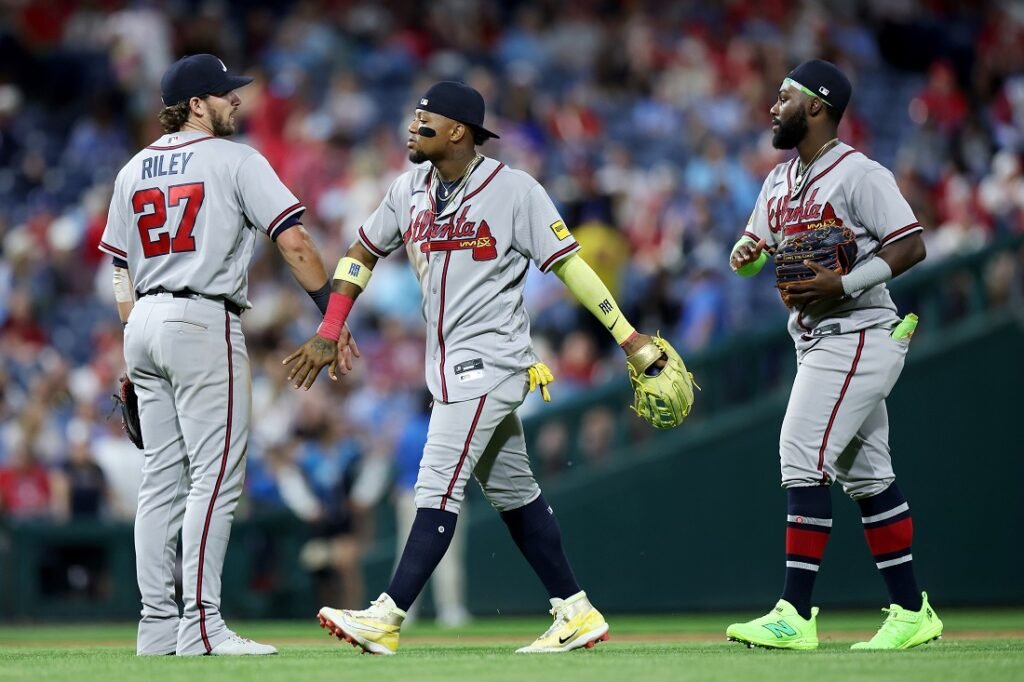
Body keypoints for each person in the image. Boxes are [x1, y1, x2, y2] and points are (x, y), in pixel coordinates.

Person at [284, 81, 674, 655]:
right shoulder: (408, 189)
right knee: (514, 491)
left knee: (436, 481)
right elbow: (360, 253)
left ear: (458, 132)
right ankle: (576, 610)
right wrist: (330, 323)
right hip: (445, 362)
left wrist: (628, 334)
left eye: (425, 121)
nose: (413, 129)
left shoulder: (514, 190)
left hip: (491, 359)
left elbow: (569, 267)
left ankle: (386, 616)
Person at [98, 53, 357, 656]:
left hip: (145, 320)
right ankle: (203, 625)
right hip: (202, 316)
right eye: (224, 94)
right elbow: (294, 241)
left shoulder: (133, 168)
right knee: (215, 477)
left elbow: (118, 268)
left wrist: (136, 337)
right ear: (196, 105)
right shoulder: (236, 159)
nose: (236, 100)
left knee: (161, 480)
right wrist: (330, 313)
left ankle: (157, 627)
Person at [726, 59, 942, 651]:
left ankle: (794, 613)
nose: (773, 107)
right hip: (818, 337)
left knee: (799, 452)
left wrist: (841, 285)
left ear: (816, 107)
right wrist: (746, 250)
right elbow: (757, 241)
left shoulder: (859, 174)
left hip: (858, 329)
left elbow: (911, 244)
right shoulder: (778, 180)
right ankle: (910, 611)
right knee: (869, 477)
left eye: (784, 97)